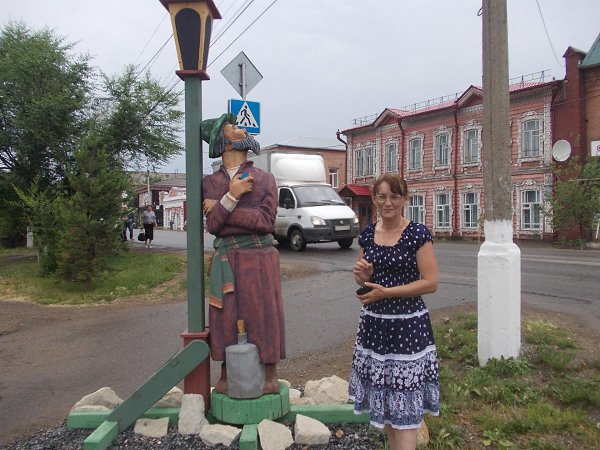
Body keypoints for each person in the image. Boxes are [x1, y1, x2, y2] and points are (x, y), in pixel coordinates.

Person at [350, 173, 440, 450]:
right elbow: (363, 280)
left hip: (407, 328)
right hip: (375, 326)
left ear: (404, 199)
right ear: (375, 199)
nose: (387, 202)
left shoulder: (417, 234)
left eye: (394, 196)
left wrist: (387, 292)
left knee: (407, 412)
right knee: (388, 409)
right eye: (381, 196)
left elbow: (431, 283)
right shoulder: (367, 234)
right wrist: (362, 276)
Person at [201, 113, 285, 395]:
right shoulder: (210, 183)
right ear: (223, 143)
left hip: (260, 256)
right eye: (233, 128)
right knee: (225, 314)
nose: (241, 129)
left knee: (264, 312)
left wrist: (224, 206)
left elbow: (265, 222)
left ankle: (270, 373)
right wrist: (232, 194)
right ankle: (225, 373)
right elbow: (213, 227)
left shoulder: (264, 179)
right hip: (227, 258)